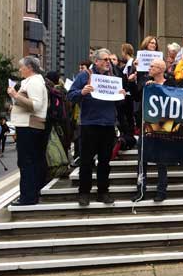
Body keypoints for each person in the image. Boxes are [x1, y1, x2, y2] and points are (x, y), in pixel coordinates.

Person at [68, 48, 126, 207]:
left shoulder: (113, 77)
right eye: (105, 60)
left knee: (105, 161)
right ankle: (84, 193)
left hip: (107, 124)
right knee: (86, 161)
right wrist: (82, 91)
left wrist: (121, 95)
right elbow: (70, 95)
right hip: (89, 124)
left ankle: (103, 192)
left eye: (109, 60)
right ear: (96, 61)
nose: (108, 62)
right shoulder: (85, 76)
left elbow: (119, 103)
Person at [7, 56, 48, 206]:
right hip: (29, 125)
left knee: (26, 162)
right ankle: (32, 194)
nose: (19, 70)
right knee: (31, 161)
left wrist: (15, 95)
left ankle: (28, 197)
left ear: (30, 67)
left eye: (21, 67)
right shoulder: (32, 82)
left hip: (29, 126)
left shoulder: (35, 82)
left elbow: (36, 105)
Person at [133, 59, 174, 202]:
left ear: (161, 69)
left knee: (161, 161)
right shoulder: (146, 83)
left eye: (152, 66)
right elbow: (136, 97)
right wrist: (145, 86)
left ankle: (161, 191)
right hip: (147, 125)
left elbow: (176, 102)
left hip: (163, 125)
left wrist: (158, 88)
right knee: (142, 159)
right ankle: (140, 190)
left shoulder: (170, 84)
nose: (149, 68)